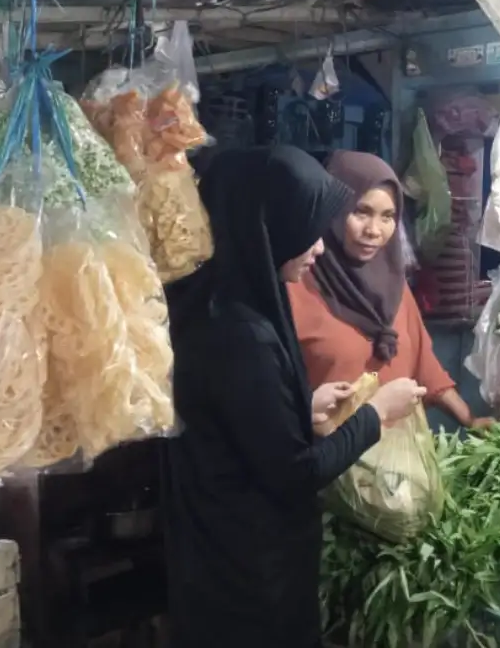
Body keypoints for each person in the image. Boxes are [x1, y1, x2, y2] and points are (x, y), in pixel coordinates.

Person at [161, 146, 425, 647]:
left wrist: (298, 407)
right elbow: (294, 473)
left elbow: (236, 424)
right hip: (247, 575)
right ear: (268, 226)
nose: (319, 248)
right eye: (307, 230)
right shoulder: (242, 334)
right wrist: (373, 415)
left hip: (219, 551)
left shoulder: (222, 307)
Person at [288, 149, 493, 432]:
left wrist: (469, 420)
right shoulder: (295, 288)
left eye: (387, 217)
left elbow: (425, 365)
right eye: (361, 212)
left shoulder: (393, 288)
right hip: (330, 464)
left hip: (400, 462)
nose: (374, 230)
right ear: (331, 209)